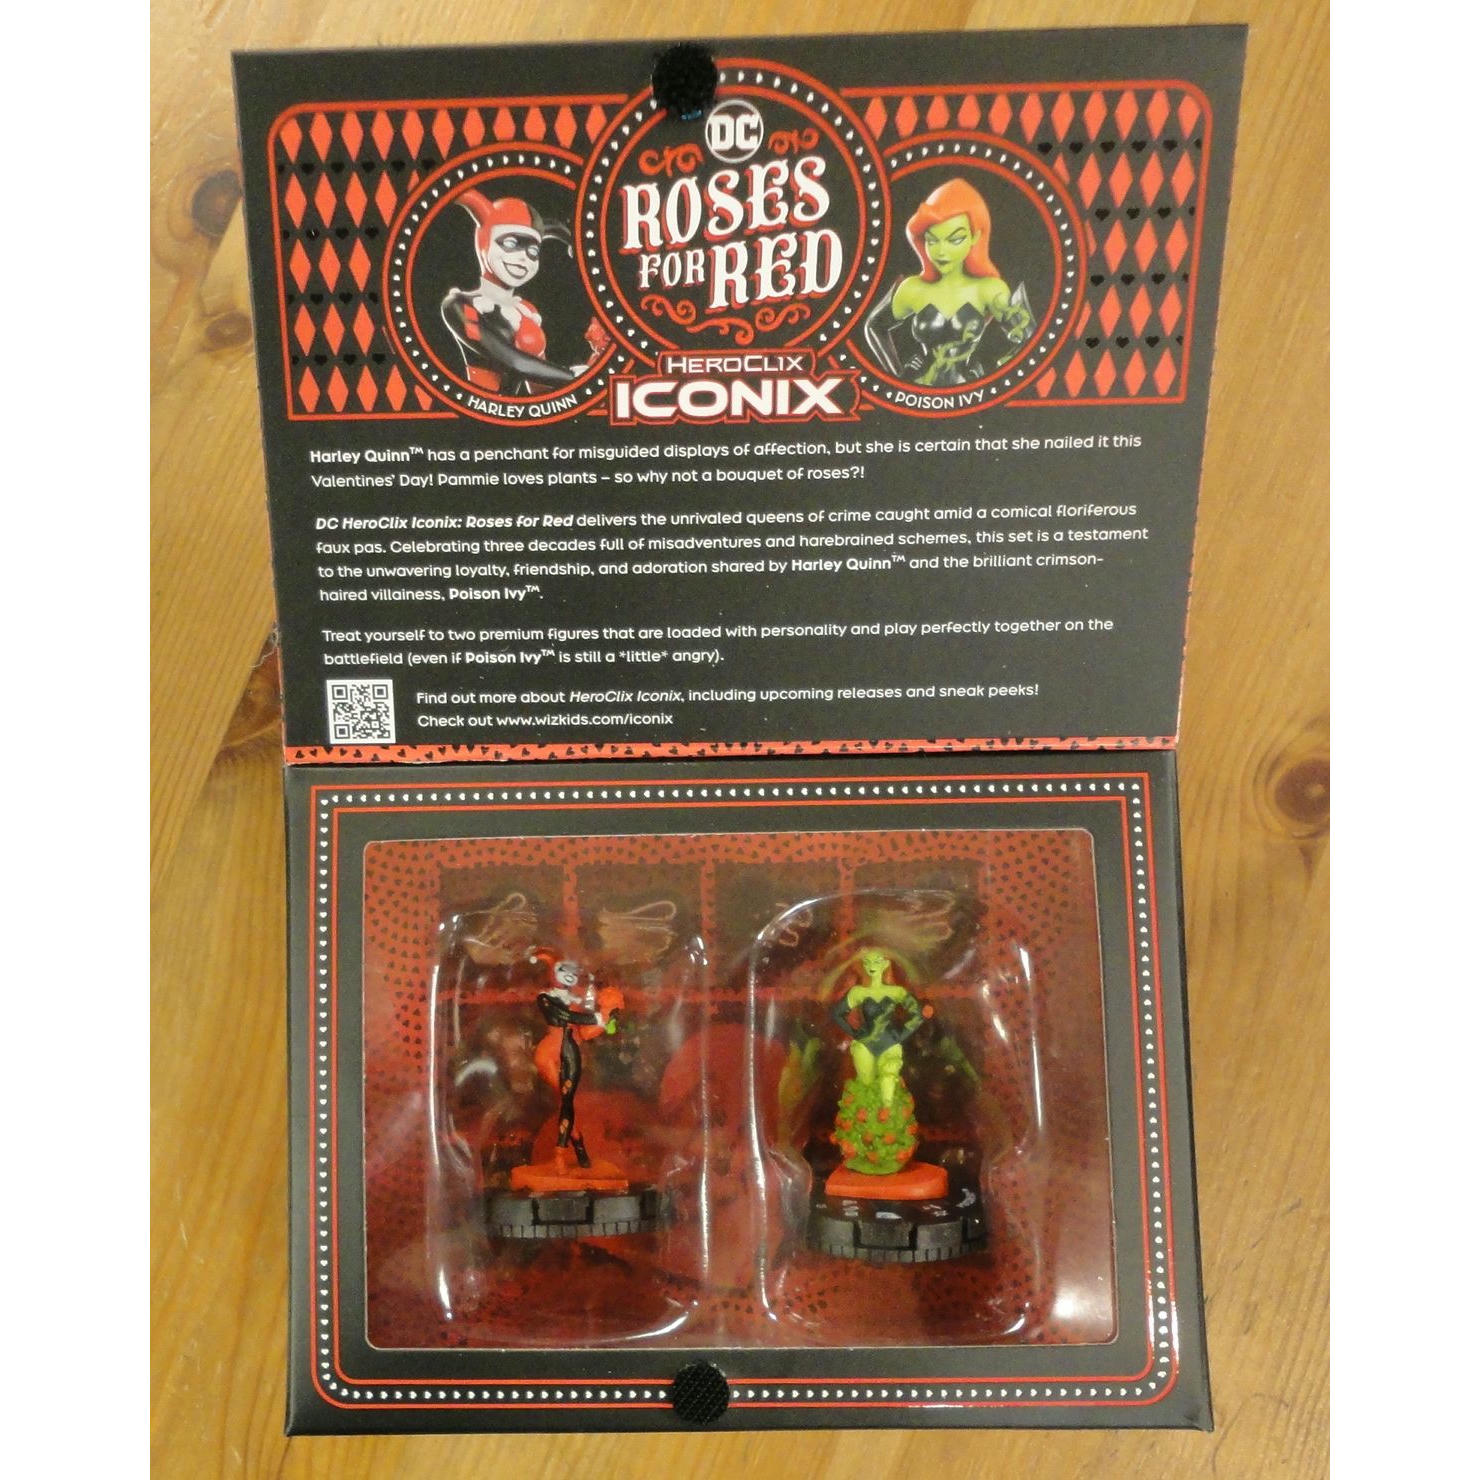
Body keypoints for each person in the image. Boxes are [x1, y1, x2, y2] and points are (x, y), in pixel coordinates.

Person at [863, 177, 1035, 386]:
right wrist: (898, 375)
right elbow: (874, 326)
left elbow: (1030, 340)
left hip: (969, 393)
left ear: (974, 237)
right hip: (919, 390)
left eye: (955, 239)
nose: (941, 251)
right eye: (932, 240)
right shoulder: (913, 289)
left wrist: (993, 373)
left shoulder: (989, 290)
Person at [440, 189, 607, 394]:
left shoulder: (526, 311)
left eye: (533, 251)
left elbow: (539, 388)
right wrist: (571, 376)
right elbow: (512, 361)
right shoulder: (459, 305)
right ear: (484, 243)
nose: (523, 258)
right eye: (511, 243)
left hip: (514, 413)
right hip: (475, 411)